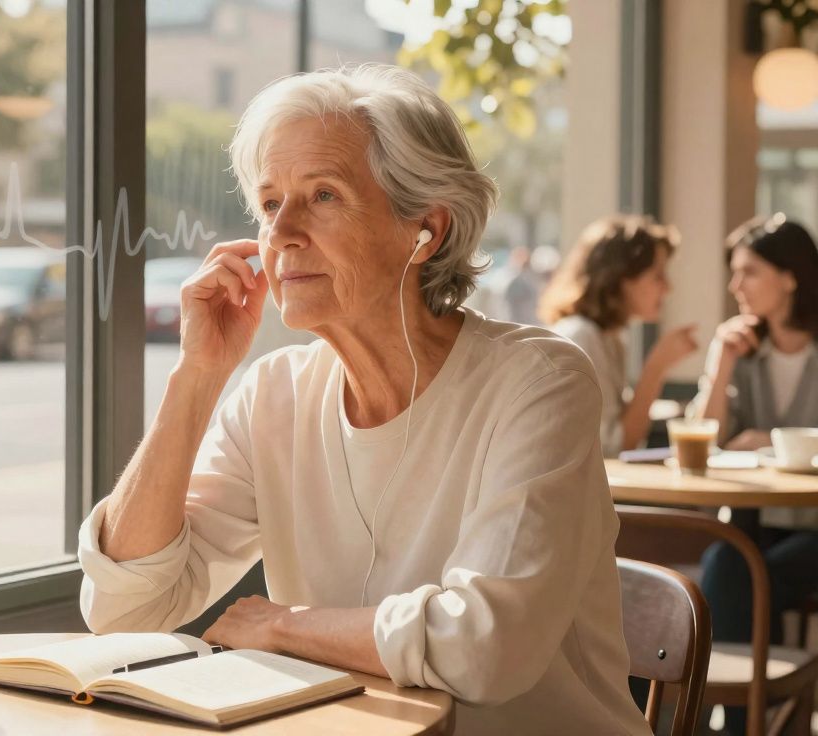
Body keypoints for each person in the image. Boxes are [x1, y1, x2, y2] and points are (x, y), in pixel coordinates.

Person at [78, 65, 648, 735]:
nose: (282, 232)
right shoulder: (273, 395)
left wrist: (282, 626)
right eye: (268, 204)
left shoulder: (537, 381)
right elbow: (124, 605)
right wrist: (196, 376)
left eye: (322, 195)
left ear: (424, 231)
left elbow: (486, 649)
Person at [693, 214, 818, 735]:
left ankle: (736, 724)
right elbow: (703, 440)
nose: (734, 286)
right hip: (757, 520)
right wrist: (720, 361)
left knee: (741, 574)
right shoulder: (742, 350)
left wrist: (770, 440)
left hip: (814, 528)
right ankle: (746, 723)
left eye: (748, 272)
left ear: (789, 276)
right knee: (724, 559)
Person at [538, 216, 699, 457]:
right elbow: (615, 447)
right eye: (658, 275)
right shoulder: (581, 338)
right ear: (620, 279)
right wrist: (656, 367)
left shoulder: (607, 339)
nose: (668, 287)